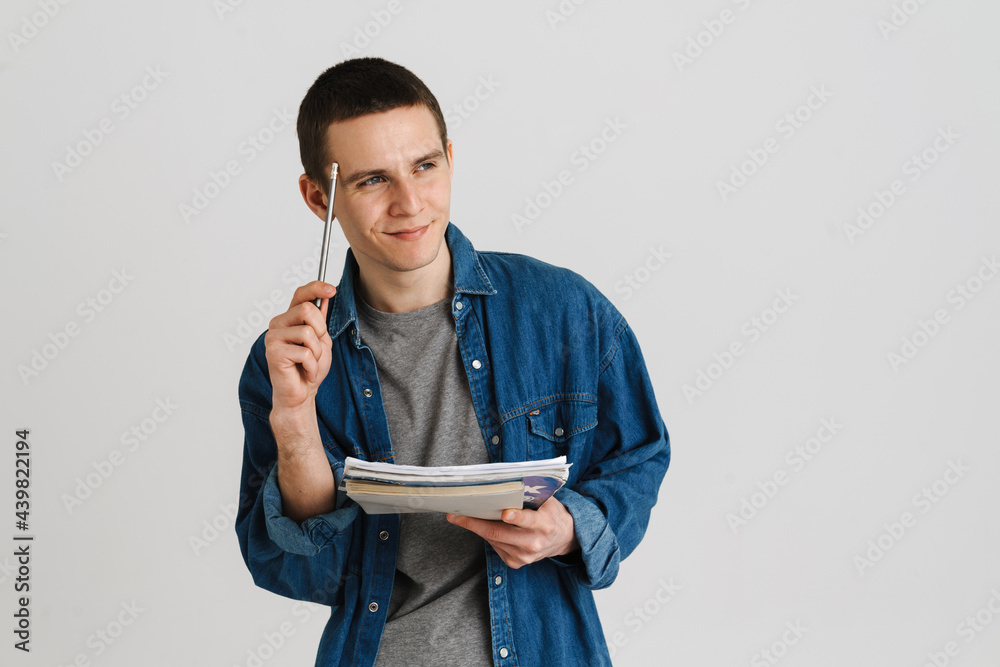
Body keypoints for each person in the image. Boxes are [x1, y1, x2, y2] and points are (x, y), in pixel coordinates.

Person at [236, 56, 670, 667]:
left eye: (424, 166)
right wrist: (294, 421)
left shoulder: (562, 309)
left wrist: (568, 527)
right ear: (318, 198)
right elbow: (306, 574)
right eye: (371, 180)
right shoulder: (290, 361)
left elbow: (640, 456)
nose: (410, 203)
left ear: (449, 156)